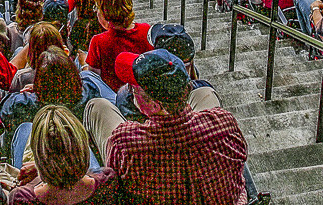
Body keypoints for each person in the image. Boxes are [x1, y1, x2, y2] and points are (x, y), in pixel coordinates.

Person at [84, 50, 247, 205]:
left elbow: (115, 184)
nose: (131, 91)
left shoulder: (124, 142)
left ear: (154, 104)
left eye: (134, 88)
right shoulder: (224, 122)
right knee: (205, 92)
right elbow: (241, 157)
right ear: (187, 88)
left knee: (97, 106)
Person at [11, 104, 118, 204]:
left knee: (24, 128)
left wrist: (43, 173)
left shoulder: (22, 198)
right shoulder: (107, 182)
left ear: (39, 157)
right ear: (83, 148)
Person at [85, 0, 152, 92]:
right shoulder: (147, 30)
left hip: (114, 97)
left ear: (105, 13)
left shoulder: (98, 41)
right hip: (145, 91)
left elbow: (94, 78)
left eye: (97, 8)